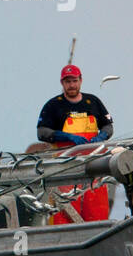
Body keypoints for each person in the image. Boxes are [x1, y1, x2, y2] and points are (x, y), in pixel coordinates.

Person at [36, 65, 114, 223]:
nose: (71, 85)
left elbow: (108, 126)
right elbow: (41, 133)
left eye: (74, 81)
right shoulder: (53, 105)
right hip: (66, 172)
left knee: (97, 216)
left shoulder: (93, 101)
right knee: (64, 217)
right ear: (62, 83)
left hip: (95, 170)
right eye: (68, 82)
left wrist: (102, 135)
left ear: (81, 80)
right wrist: (64, 135)